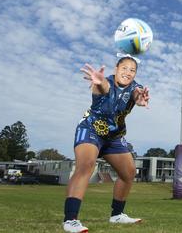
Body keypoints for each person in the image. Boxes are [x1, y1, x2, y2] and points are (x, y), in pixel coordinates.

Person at [62, 55, 150, 233]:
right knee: (86, 165)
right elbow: (103, 88)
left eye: (132, 70)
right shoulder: (105, 82)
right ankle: (70, 220)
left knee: (129, 172)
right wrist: (98, 82)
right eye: (124, 68)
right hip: (91, 130)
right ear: (116, 69)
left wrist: (139, 98)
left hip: (113, 136)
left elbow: (136, 93)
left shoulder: (135, 87)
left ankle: (117, 215)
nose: (128, 72)